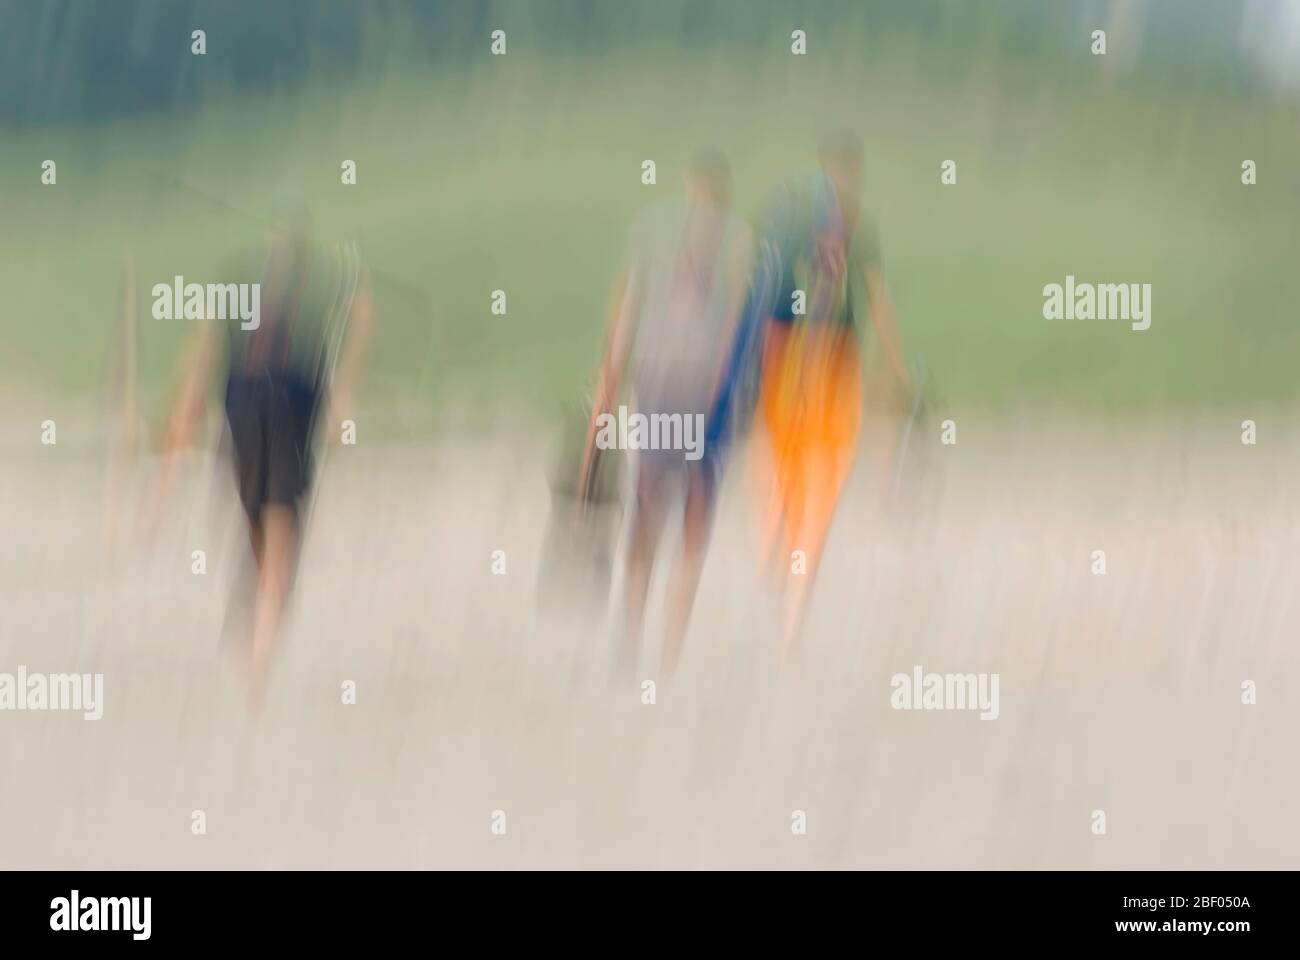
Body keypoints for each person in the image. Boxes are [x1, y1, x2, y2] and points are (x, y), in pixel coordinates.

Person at [162, 193, 375, 697]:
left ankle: (253, 632)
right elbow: (361, 316)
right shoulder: (323, 284)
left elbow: (205, 342)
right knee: (280, 527)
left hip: (245, 401)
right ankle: (259, 650)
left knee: (259, 521)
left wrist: (186, 411)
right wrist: (345, 390)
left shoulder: (243, 282)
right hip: (285, 402)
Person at [717, 132, 909, 666]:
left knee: (787, 481)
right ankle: (787, 613)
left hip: (792, 356)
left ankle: (775, 587)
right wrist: (895, 371)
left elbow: (748, 283)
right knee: (809, 487)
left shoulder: (787, 222)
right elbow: (867, 300)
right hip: (821, 360)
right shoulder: (846, 226)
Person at [581, 147, 751, 684]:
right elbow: (734, 327)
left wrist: (606, 383)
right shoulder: (734, 240)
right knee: (686, 517)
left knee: (655, 509)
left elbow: (626, 311)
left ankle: (637, 637)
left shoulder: (657, 232)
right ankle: (660, 648)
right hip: (691, 385)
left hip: (663, 379)